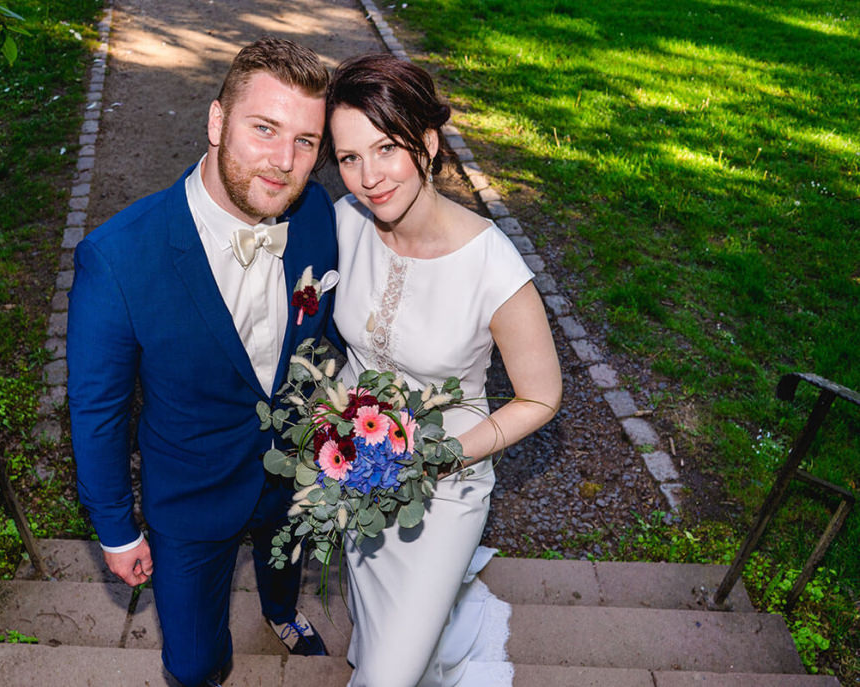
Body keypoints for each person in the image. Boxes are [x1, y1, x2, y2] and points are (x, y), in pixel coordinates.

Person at [66, 37, 336, 687]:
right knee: (191, 662)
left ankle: (279, 610)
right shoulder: (119, 257)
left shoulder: (317, 214)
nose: (284, 162)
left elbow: (327, 337)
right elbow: (96, 409)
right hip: (190, 495)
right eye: (265, 128)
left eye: (306, 141)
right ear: (216, 122)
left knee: (284, 563)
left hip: (293, 470)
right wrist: (115, 528)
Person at [325, 53, 563, 687]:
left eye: (386, 149)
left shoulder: (494, 269)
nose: (368, 177)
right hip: (352, 465)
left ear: (427, 145)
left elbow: (541, 397)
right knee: (380, 627)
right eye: (349, 158)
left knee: (389, 677)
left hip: (444, 490)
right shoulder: (345, 224)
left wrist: (442, 456)